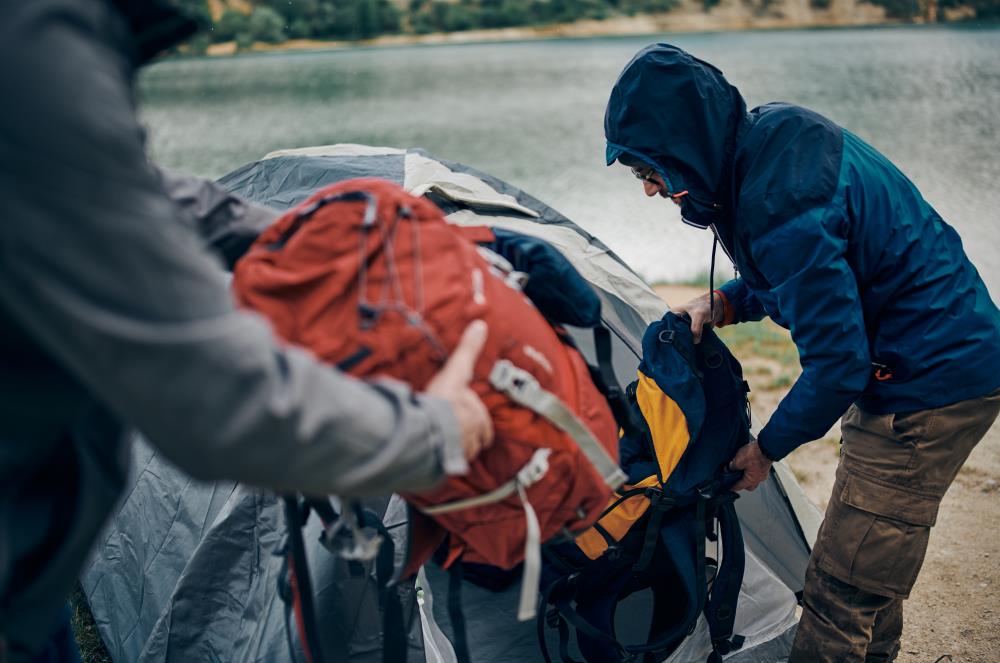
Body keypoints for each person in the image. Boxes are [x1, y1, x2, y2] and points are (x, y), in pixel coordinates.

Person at [0, 2, 493, 661]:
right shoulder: (34, 40)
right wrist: (439, 430)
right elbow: (219, 398)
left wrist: (310, 243)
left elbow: (116, 192)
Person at [604, 43, 1000, 662]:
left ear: (685, 144)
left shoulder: (775, 202)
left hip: (929, 383)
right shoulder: (766, 145)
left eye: (649, 172)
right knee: (869, 572)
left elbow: (838, 363)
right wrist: (725, 305)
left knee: (840, 591)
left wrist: (764, 452)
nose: (652, 191)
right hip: (923, 359)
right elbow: (805, 274)